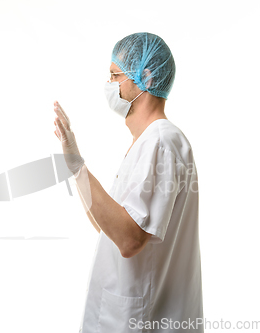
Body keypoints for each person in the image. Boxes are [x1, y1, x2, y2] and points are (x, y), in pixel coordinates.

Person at [53, 32, 203, 333]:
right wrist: (74, 163)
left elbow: (129, 239)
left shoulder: (160, 142)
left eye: (114, 75)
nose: (109, 85)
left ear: (144, 77)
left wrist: (78, 165)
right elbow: (107, 227)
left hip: (142, 320)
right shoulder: (150, 142)